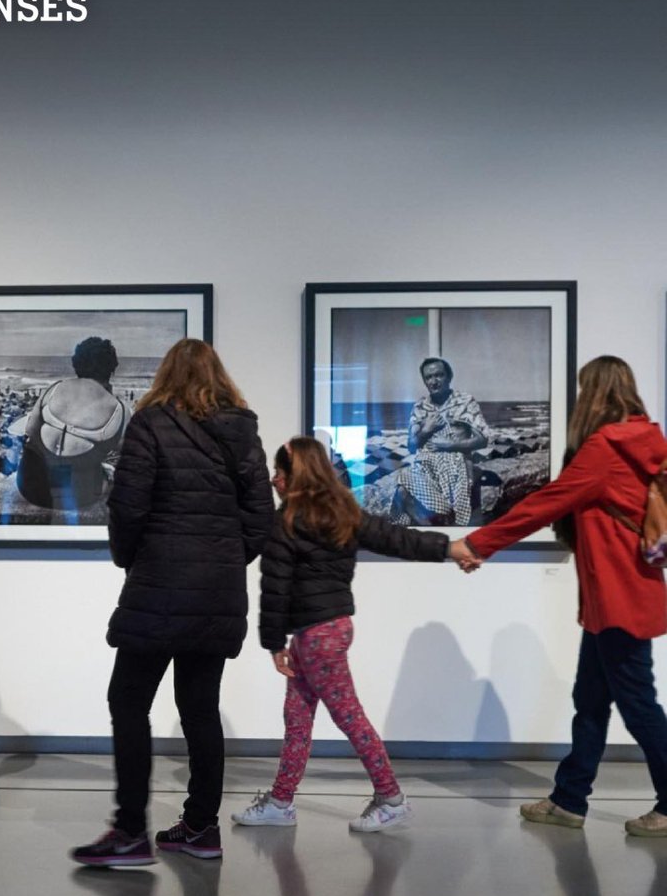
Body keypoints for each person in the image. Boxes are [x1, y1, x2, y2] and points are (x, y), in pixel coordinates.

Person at [71, 338, 274, 866]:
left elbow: (128, 506)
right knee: (200, 707)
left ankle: (131, 831)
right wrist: (226, 559)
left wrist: (132, 558)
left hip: (158, 584)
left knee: (128, 700)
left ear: (165, 375)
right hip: (217, 591)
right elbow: (260, 520)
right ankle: (202, 828)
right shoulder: (243, 430)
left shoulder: (151, 423)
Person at [455, 356, 667, 838]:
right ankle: (569, 800)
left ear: (591, 394)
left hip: (618, 601)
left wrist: (478, 543)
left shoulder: (606, 448)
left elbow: (545, 503)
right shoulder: (641, 441)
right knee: (590, 701)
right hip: (619, 598)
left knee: (639, 707)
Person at [232, 436, 469, 833]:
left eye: (279, 472)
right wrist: (449, 549)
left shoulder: (286, 521)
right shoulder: (343, 512)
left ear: (296, 477)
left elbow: (274, 587)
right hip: (330, 629)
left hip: (316, 637)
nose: (274, 480)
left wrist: (272, 643)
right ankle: (281, 800)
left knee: (350, 719)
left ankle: (392, 799)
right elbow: (400, 540)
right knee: (297, 718)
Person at [15, 335, 127, 517]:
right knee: (109, 474)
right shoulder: (118, 408)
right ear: (111, 369)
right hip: (79, 496)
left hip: (30, 487)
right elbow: (123, 448)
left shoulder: (52, 390)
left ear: (76, 365)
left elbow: (31, 432)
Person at [392, 357, 490, 526]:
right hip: (426, 467)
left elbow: (483, 439)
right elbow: (411, 446)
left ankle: (444, 523)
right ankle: (435, 524)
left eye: (439, 375)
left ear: (449, 377)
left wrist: (450, 445)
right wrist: (426, 430)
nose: (434, 381)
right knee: (402, 487)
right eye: (428, 378)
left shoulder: (464, 401)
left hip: (456, 466)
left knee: (459, 510)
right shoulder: (420, 407)